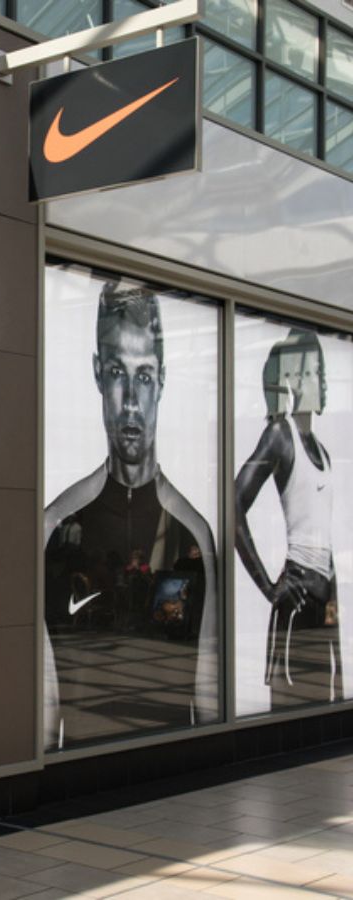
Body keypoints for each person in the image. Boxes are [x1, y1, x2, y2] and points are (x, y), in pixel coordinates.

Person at [43, 281, 218, 749]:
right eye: (119, 372)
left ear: (162, 381)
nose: (131, 401)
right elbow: (45, 710)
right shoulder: (55, 524)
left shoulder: (193, 531)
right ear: (98, 374)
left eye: (143, 376)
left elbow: (207, 690)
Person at [235, 328, 342, 708]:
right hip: (296, 597)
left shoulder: (325, 452)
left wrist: (334, 601)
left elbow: (324, 537)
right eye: (315, 372)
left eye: (323, 372)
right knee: (291, 702)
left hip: (324, 597)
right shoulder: (281, 435)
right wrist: (268, 587)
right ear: (293, 379)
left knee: (324, 697)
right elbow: (233, 504)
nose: (323, 382)